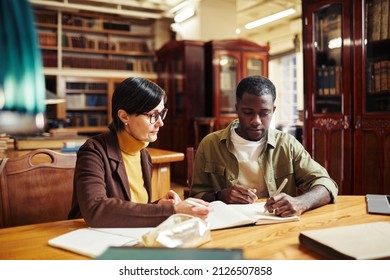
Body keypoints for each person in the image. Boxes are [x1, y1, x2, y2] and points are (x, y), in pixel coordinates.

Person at [68, 77, 210, 227]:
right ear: (124, 116)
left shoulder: (143, 155)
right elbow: (95, 209)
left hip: (124, 236)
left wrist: (159, 205)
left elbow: (130, 208)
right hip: (87, 239)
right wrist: (171, 210)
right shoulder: (93, 151)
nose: (160, 122)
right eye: (153, 115)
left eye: (161, 113)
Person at [190, 75, 338, 217]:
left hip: (277, 227)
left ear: (273, 110)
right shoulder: (210, 145)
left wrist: (302, 202)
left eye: (264, 113)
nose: (256, 121)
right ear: (237, 108)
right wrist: (220, 196)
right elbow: (194, 198)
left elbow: (326, 184)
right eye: (248, 112)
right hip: (228, 227)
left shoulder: (287, 144)